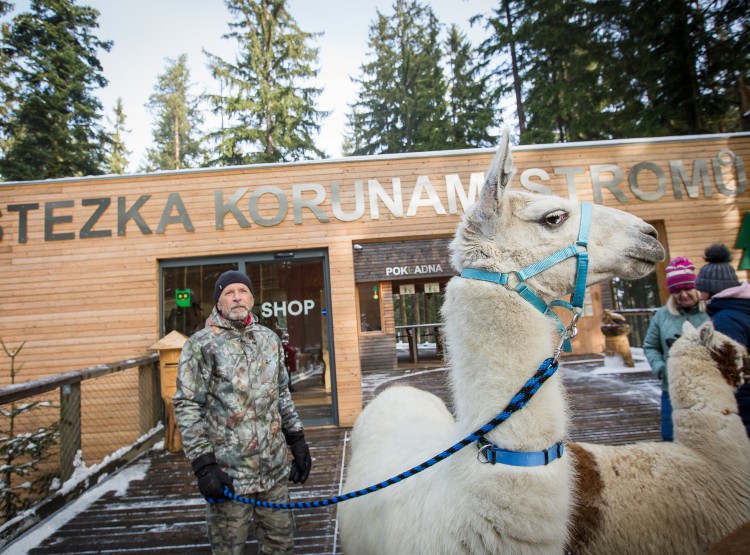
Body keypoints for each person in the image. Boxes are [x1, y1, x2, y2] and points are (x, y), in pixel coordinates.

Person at [173, 270, 312, 555]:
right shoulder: (200, 345)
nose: (237, 297)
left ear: (251, 298)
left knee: (281, 547)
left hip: (274, 473)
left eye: (242, 291)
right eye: (228, 292)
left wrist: (296, 439)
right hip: (228, 478)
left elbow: (282, 392)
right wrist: (204, 465)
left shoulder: (269, 340)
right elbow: (187, 405)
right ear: (219, 302)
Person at [643, 256, 709, 441]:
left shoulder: (710, 314)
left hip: (706, 387)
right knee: (671, 436)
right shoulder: (663, 316)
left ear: (696, 287)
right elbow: (650, 346)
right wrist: (661, 369)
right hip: (672, 388)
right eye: (677, 290)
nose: (683, 295)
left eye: (687, 288)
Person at [696, 243, 750, 437]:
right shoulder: (741, 310)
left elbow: (732, 369)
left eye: (702, 290)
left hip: (744, 406)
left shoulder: (726, 319)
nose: (700, 295)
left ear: (712, 289)